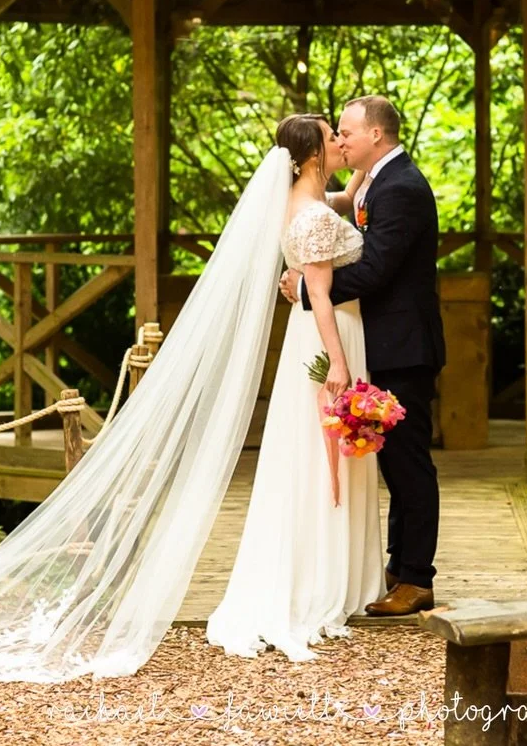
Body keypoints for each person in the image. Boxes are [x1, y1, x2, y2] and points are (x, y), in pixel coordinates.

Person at [205, 113, 385, 661]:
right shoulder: (310, 219)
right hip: (328, 337)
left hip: (319, 332)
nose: (340, 143)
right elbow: (322, 294)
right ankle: (317, 581)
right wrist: (336, 361)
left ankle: (334, 571)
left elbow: (335, 203)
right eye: (333, 139)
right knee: (321, 455)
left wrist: (357, 179)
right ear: (311, 157)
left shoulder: (309, 204)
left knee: (320, 453)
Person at [279, 94, 445, 617]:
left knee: (409, 463)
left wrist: (308, 290)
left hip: (404, 345)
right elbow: (338, 208)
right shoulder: (375, 181)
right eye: (336, 134)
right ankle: (400, 566)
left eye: (347, 132)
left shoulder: (403, 189)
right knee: (394, 463)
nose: (342, 140)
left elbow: (375, 272)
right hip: (384, 343)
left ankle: (417, 578)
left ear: (376, 134)